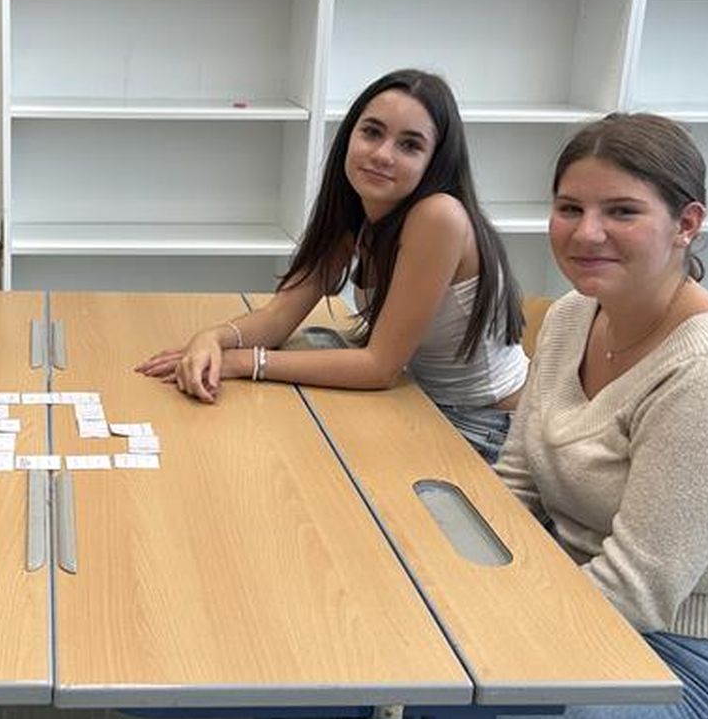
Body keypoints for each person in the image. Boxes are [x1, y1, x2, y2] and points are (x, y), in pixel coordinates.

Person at [274, 113, 708, 719]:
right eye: (569, 208)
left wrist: (451, 628)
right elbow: (518, 477)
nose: (587, 232)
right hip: (570, 599)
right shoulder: (572, 316)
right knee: (311, 680)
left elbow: (634, 592)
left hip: (695, 676)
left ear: (687, 223)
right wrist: (423, 575)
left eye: (621, 211)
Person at [138, 68, 527, 462]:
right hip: (418, 402)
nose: (382, 155)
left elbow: (379, 367)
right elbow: (278, 317)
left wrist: (243, 361)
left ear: (435, 162)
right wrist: (212, 339)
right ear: (349, 135)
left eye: (409, 145)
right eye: (372, 132)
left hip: (484, 426)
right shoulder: (360, 210)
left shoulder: (438, 216)